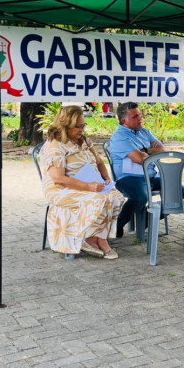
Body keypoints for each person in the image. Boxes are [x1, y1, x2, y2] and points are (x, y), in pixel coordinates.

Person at [39, 106, 126, 259]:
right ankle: (88, 238)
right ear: (65, 126)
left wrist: (106, 178)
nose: (82, 130)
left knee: (116, 196)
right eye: (78, 127)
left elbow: (99, 162)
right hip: (61, 188)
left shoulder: (84, 141)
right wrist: (88, 187)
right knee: (99, 199)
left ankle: (98, 238)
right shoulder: (56, 145)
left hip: (88, 184)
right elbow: (58, 178)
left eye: (83, 125)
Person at [109, 102, 182, 238]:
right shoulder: (119, 137)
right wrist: (150, 152)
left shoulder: (144, 132)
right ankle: (118, 224)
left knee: (179, 190)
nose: (140, 119)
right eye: (135, 117)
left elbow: (163, 150)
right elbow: (140, 159)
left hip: (150, 176)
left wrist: (146, 150)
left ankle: (148, 219)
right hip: (128, 178)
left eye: (140, 115)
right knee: (141, 197)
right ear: (124, 121)